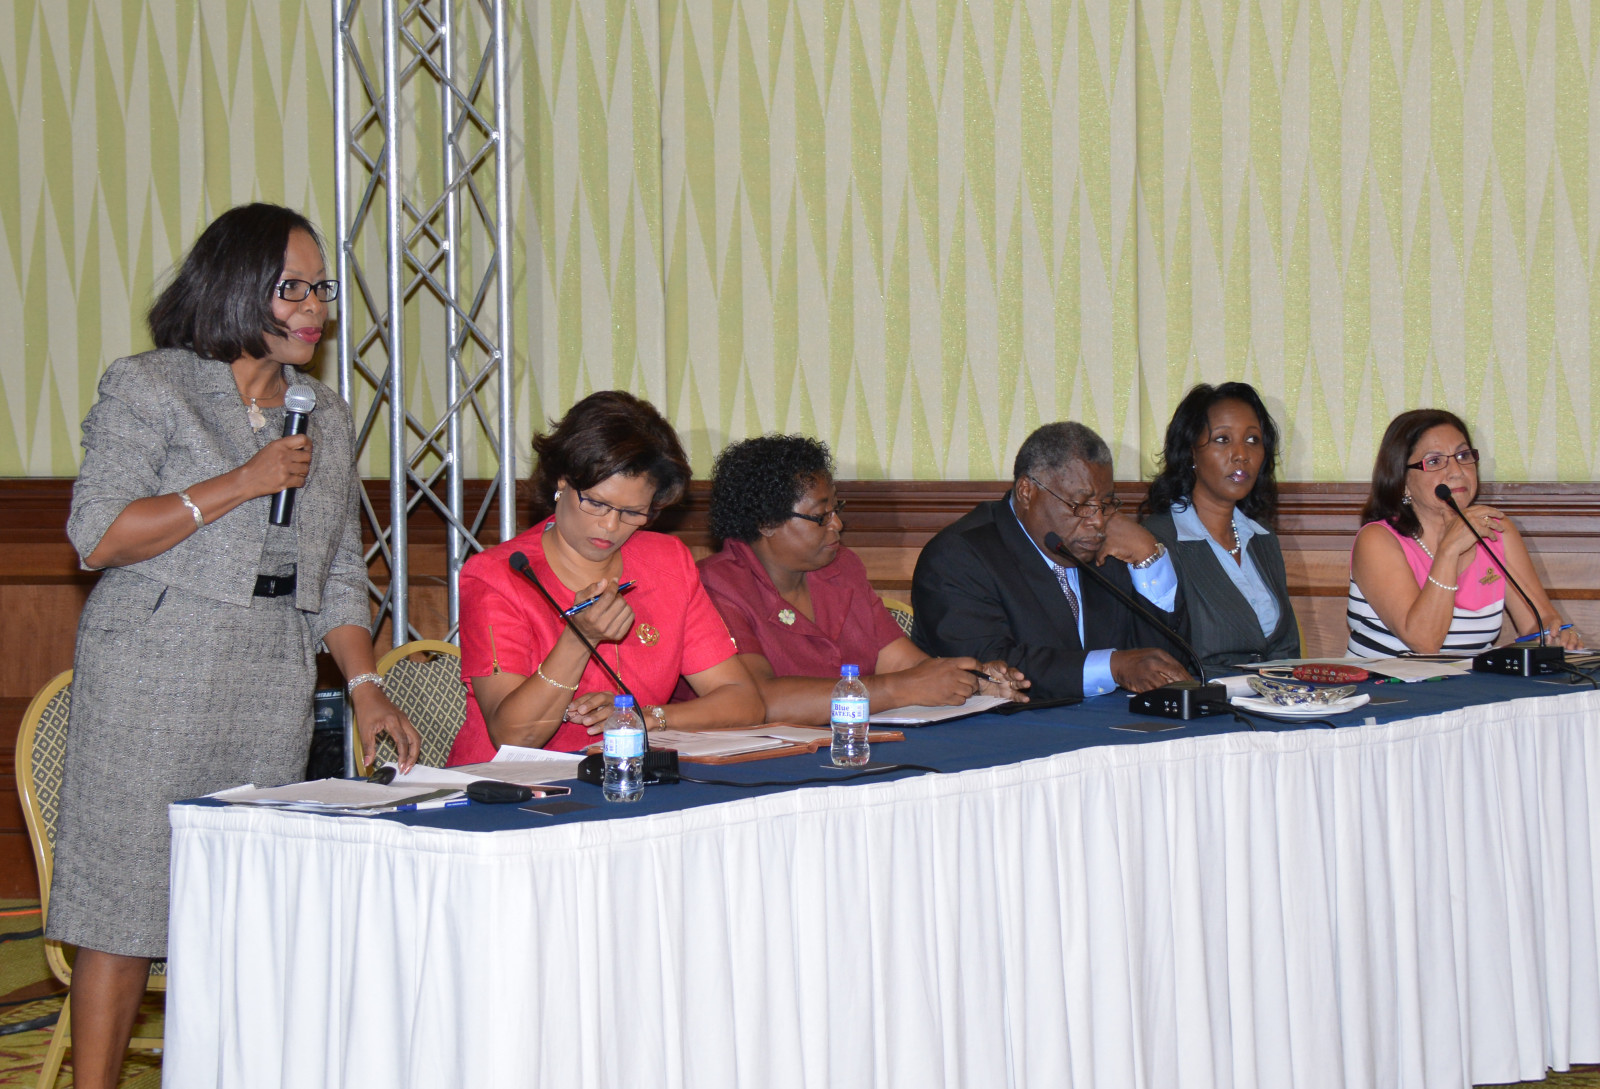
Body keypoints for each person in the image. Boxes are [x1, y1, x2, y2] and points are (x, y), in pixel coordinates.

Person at [51, 203, 421, 1089]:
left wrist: (365, 685)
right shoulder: (153, 387)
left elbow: (338, 570)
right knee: (124, 910)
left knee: (242, 908)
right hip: (153, 671)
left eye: (321, 290)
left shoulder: (324, 413)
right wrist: (241, 482)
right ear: (236, 287)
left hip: (268, 681)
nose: (314, 308)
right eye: (292, 288)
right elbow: (98, 533)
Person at [446, 391, 765, 763]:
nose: (611, 526)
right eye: (596, 503)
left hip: (624, 778)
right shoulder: (497, 576)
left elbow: (744, 702)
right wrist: (579, 638)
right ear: (562, 481)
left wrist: (644, 718)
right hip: (507, 785)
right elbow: (514, 736)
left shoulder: (668, 562)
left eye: (632, 512)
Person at [694, 436, 1028, 725]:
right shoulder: (717, 586)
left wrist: (972, 681)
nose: (837, 524)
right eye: (821, 516)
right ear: (766, 522)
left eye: (837, 508)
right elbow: (760, 700)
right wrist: (900, 689)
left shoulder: (842, 567)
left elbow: (902, 662)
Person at [912, 421, 1194, 701]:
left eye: (1106, 504)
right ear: (1027, 491)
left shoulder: (1103, 548)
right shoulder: (958, 556)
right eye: (1080, 504)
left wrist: (1148, 557)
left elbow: (1161, 663)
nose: (1097, 521)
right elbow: (990, 668)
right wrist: (1112, 667)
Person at [1347, 408, 1582, 656]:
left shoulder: (1495, 530)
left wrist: (1554, 635)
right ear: (1403, 480)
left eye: (1463, 455)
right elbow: (1423, 642)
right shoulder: (1377, 540)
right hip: (1383, 681)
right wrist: (1449, 550)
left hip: (1471, 681)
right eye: (1435, 461)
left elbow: (1538, 622)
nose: (1457, 471)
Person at [1140, 382, 1300, 668]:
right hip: (1206, 693)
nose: (1241, 455)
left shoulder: (1262, 537)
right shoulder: (1158, 542)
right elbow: (1159, 655)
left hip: (1277, 692)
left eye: (1252, 439)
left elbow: (1286, 647)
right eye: (1223, 439)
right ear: (1191, 451)